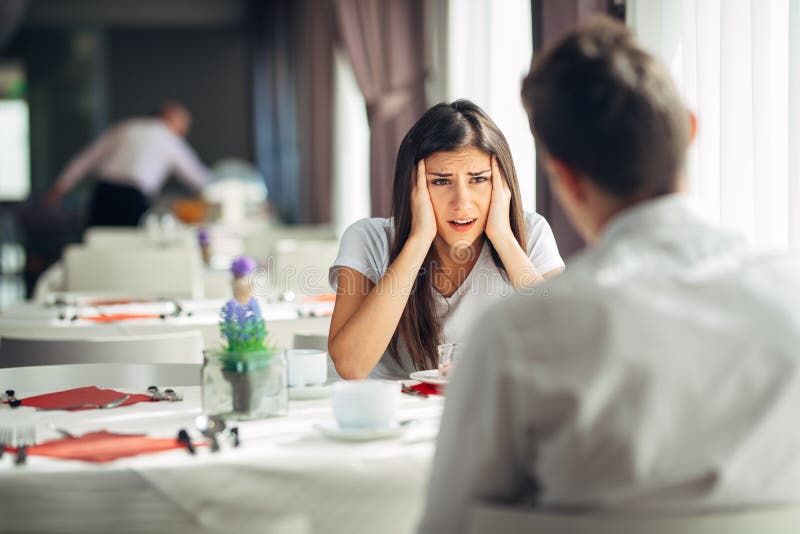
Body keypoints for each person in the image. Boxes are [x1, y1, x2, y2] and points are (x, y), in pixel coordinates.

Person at [419, 16, 800, 534]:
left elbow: (450, 523)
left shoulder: (519, 332)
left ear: (565, 176)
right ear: (689, 130)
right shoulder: (789, 289)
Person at [328, 100, 564, 380]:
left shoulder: (530, 234)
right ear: (412, 187)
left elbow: (563, 348)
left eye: (478, 179)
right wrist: (417, 240)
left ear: (501, 184)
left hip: (484, 414)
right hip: (393, 418)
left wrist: (503, 237)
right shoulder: (368, 239)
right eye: (441, 181)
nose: (462, 203)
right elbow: (351, 366)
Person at [46, 100, 210, 226]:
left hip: (103, 194)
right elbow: (198, 178)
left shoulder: (125, 127)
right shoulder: (170, 139)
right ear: (169, 119)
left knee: (97, 245)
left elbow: (86, 159)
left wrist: (59, 188)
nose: (182, 133)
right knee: (129, 250)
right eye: (182, 127)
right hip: (132, 199)